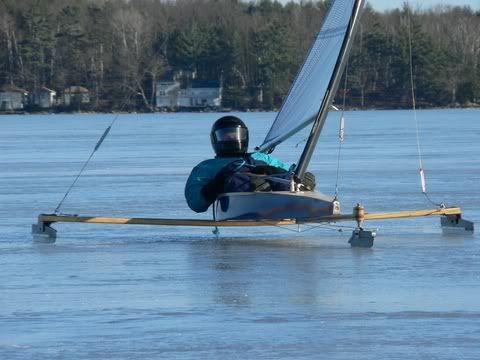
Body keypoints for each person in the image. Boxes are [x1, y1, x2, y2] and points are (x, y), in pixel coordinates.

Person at [184, 115, 315, 213]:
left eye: (236, 135)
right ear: (215, 139)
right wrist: (219, 181)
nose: (233, 139)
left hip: (275, 191)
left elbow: (288, 171)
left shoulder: (260, 157)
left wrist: (298, 175)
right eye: (226, 136)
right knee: (234, 178)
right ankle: (259, 189)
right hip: (238, 195)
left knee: (290, 176)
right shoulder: (206, 166)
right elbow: (196, 204)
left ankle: (301, 189)